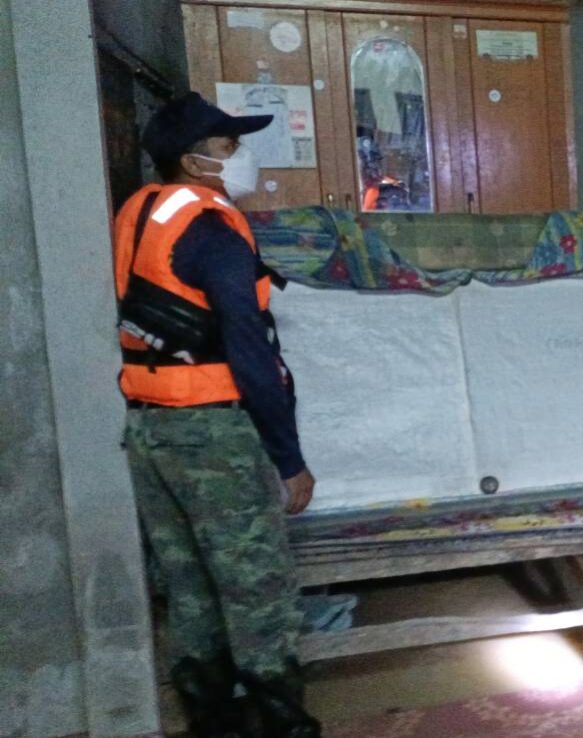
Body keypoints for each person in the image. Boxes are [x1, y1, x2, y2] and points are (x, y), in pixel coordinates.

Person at [114, 92, 321, 738]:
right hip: (211, 435)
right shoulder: (210, 229)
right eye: (229, 147)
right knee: (258, 588)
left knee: (190, 582)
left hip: (148, 428)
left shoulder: (142, 213)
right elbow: (249, 350)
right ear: (193, 160)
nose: (242, 157)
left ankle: (211, 720)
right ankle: (280, 722)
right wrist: (288, 459)